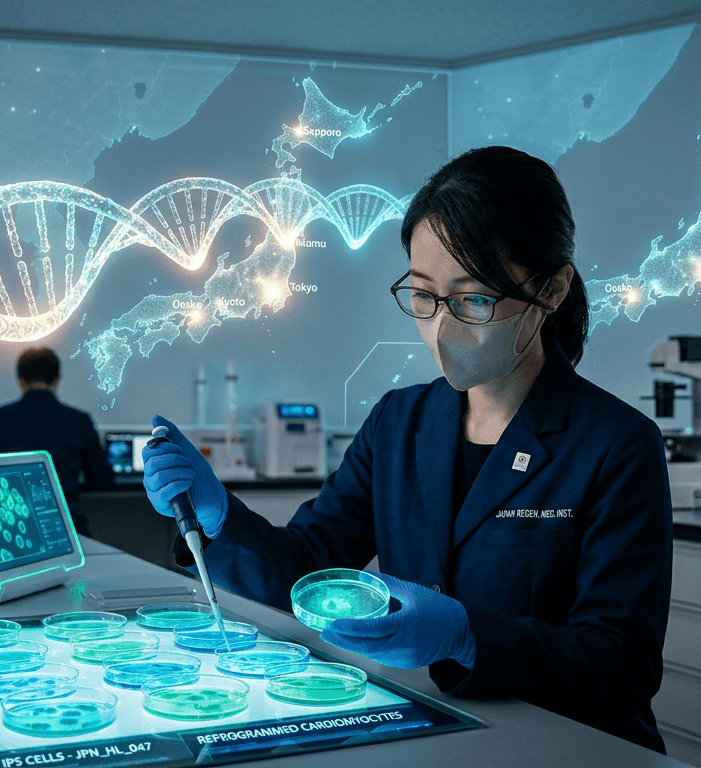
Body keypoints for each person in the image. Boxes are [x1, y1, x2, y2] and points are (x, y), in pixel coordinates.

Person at [142, 147, 673, 752]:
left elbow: (622, 668)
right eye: (424, 296)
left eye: (474, 298)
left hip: (568, 750)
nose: (442, 326)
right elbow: (308, 569)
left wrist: (468, 636)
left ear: (551, 289)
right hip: (439, 735)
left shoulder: (615, 444)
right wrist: (220, 518)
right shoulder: (400, 423)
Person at [0, 347, 115, 536]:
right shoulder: (78, 421)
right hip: (63, 528)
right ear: (57, 380)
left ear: (21, 380)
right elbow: (101, 480)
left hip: (10, 529)